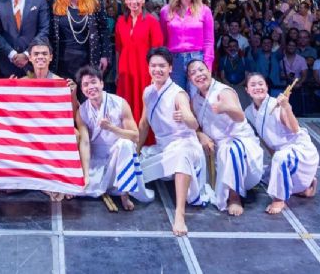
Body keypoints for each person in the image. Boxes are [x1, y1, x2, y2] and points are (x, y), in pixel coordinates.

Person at [137, 48, 212, 236]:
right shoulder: (148, 92)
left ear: (170, 68)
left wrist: (186, 117)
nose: (157, 70)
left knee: (180, 155)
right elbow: (144, 123)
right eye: (153, 66)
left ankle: (180, 213)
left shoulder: (179, 94)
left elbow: (193, 123)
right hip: (163, 147)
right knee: (132, 167)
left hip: (184, 145)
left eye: (162, 66)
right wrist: (135, 150)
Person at [187, 59, 263, 216]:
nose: (198, 75)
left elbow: (239, 116)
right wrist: (200, 134)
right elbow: (196, 125)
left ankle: (235, 197)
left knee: (231, 149)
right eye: (193, 73)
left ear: (209, 71)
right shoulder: (195, 99)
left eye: (201, 70)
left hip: (240, 143)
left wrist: (225, 107)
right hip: (216, 145)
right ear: (189, 79)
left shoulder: (223, 91)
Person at [76, 65, 152, 211]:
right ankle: (102, 183)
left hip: (118, 156)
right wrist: (85, 175)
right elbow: (85, 143)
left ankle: (124, 193)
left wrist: (111, 128)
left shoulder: (119, 103)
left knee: (126, 144)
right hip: (96, 159)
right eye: (85, 84)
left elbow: (135, 136)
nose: (90, 87)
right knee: (79, 188)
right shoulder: (82, 111)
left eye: (93, 82)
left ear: (102, 83)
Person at [243, 74, 319, 215]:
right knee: (264, 178)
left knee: (280, 161)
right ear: (247, 90)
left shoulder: (276, 104)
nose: (257, 87)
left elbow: (295, 129)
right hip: (281, 154)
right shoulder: (248, 112)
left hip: (299, 149)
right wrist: (274, 162)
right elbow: (264, 139)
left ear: (267, 87)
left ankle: (279, 200)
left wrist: (286, 107)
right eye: (253, 85)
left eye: (261, 84)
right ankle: (306, 187)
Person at [50, 0, 111, 81]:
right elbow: (49, 30)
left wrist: (105, 55)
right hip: (61, 61)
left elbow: (104, 30)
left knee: (86, 97)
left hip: (88, 60)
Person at [114, 0, 163, 125]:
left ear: (143, 0)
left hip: (144, 71)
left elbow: (158, 51)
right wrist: (118, 72)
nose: (133, 1)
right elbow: (118, 49)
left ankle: (144, 141)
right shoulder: (120, 22)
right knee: (126, 104)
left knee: (144, 106)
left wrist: (155, 75)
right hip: (125, 71)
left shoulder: (152, 21)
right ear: (125, 1)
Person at [159, 0, 214, 91]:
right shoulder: (165, 11)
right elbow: (163, 41)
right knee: (177, 100)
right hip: (174, 61)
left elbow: (209, 42)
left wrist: (208, 67)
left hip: (197, 60)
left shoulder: (204, 10)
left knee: (197, 100)